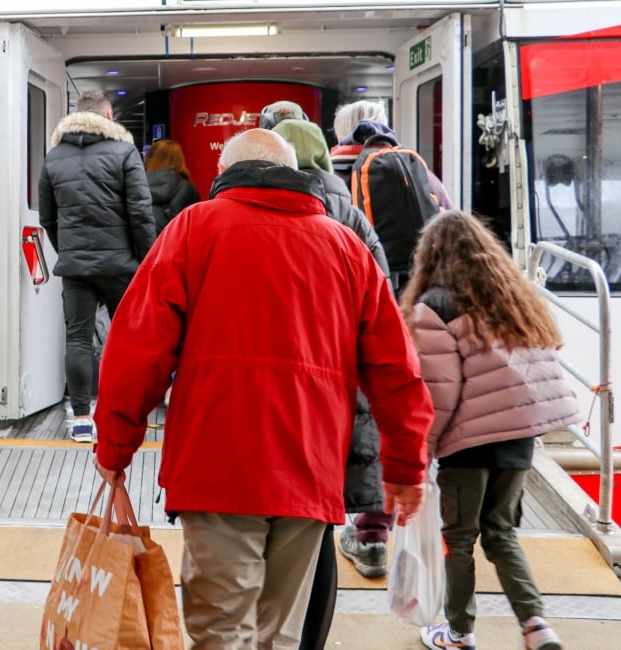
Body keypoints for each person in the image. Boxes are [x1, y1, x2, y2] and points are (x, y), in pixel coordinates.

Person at [92, 128, 434, 649]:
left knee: (223, 629)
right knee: (281, 634)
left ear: (224, 176)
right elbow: (396, 368)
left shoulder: (194, 229)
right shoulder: (347, 248)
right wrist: (406, 468)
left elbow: (136, 348)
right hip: (311, 468)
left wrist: (116, 445)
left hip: (217, 467)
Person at [401, 210, 581, 650]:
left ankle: (459, 632)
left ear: (432, 255)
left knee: (458, 539)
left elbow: (440, 394)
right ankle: (537, 625)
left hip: (468, 445)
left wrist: (419, 453)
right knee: (501, 534)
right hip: (519, 440)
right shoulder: (513, 300)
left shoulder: (437, 306)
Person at [266, 109, 392, 646]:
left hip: (282, 386)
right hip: (341, 385)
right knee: (318, 525)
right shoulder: (352, 214)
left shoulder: (272, 209)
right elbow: (382, 296)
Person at [329, 100, 452, 576]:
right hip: (414, 305)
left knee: (346, 414)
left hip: (349, 314)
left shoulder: (329, 176)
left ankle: (339, 523)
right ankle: (376, 530)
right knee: (391, 408)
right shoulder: (415, 171)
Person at [38, 89, 155, 443]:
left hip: (76, 267)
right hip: (121, 265)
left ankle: (81, 420)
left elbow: (47, 218)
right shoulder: (125, 151)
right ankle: (124, 413)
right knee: (126, 340)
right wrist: (146, 259)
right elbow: (140, 213)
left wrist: (68, 251)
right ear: (108, 116)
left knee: (77, 340)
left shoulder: (54, 157)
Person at [144, 139, 199, 236]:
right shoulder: (187, 189)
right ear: (180, 160)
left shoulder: (134, 187)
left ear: (149, 159)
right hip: (173, 247)